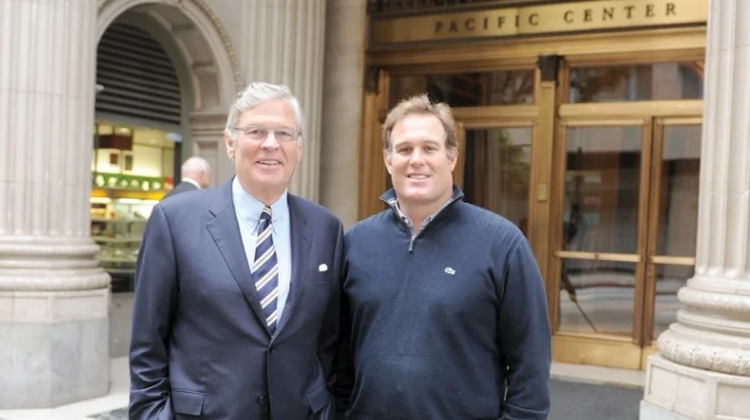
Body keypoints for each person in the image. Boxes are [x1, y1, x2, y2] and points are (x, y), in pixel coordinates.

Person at [129, 82, 344, 420]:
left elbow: (328, 341)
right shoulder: (175, 221)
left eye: (284, 134)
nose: (271, 144)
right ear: (230, 143)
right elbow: (147, 343)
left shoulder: (325, 229)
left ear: (299, 148)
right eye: (256, 131)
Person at [338, 94, 551, 420]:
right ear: (388, 160)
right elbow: (340, 358)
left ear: (451, 157)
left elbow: (530, 366)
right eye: (405, 149)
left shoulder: (503, 244)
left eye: (429, 148)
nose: (416, 159)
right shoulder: (356, 243)